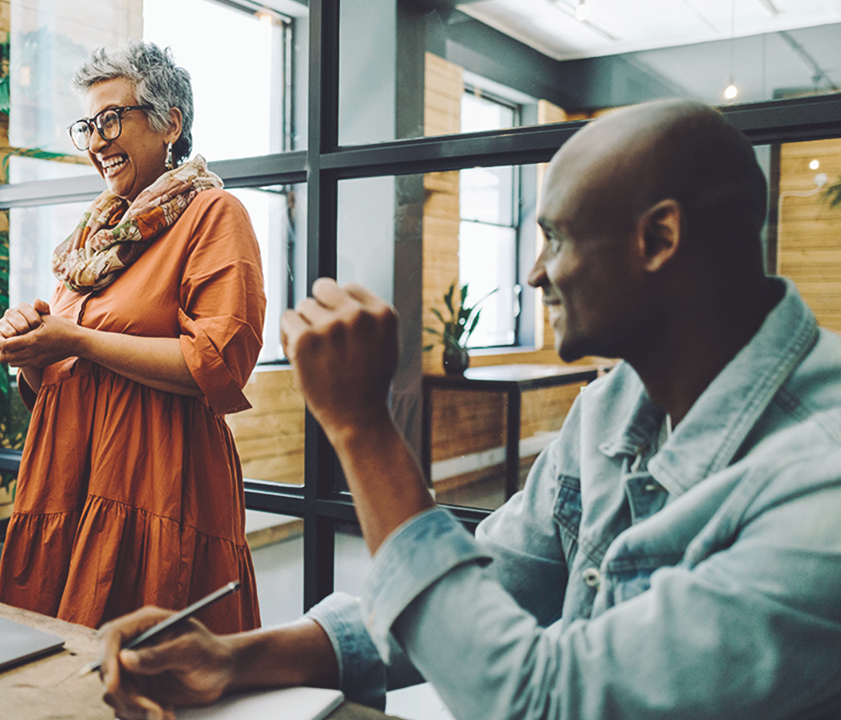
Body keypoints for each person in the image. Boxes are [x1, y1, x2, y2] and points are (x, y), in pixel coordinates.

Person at [93, 98, 841, 720]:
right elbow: (479, 590)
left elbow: (539, 700)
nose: (535, 272)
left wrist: (362, 427)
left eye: (555, 237)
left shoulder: (821, 485)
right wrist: (235, 656)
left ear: (659, 238)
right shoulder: (614, 405)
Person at [0, 40, 265, 633]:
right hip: (66, 482)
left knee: (150, 671)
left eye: (112, 118)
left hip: (157, 486)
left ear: (171, 123)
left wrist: (77, 340)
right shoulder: (94, 238)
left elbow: (216, 363)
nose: (95, 141)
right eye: (87, 125)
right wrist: (30, 348)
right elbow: (55, 384)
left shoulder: (214, 215)